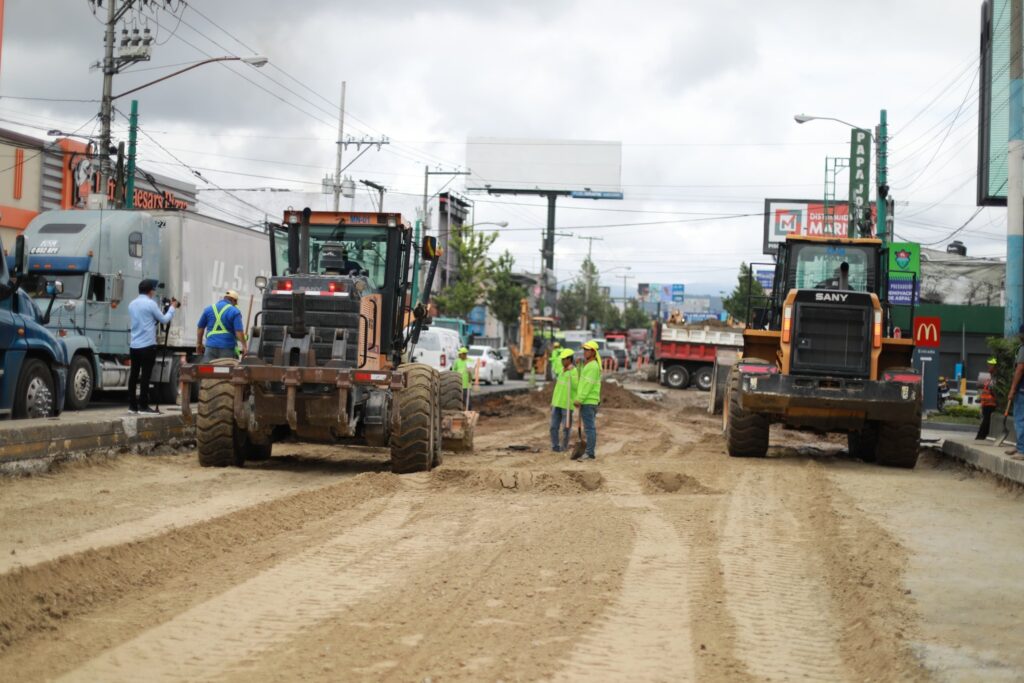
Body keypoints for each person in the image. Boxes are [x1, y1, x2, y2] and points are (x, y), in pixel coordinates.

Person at [128, 278, 178, 414]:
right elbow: (164, 319)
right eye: (154, 291)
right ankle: (143, 406)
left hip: (134, 345)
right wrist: (172, 308)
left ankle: (132, 406)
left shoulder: (131, 304)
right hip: (147, 345)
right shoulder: (151, 304)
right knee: (145, 376)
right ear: (150, 291)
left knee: (133, 375)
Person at [196, 289, 247, 361]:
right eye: (236, 302)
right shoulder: (235, 311)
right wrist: (244, 346)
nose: (236, 305)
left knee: (208, 370)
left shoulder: (208, 309)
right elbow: (238, 331)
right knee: (226, 370)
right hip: (227, 348)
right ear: (233, 300)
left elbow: (200, 327)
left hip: (210, 347)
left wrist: (199, 344)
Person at [572, 340, 602, 461]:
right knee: (589, 428)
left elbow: (587, 385)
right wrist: (579, 365)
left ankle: (590, 453)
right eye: (584, 349)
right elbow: (582, 379)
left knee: (589, 428)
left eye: (587, 350)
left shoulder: (593, 366)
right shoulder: (589, 365)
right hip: (588, 401)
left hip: (589, 401)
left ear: (593, 352)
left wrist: (580, 399)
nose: (584, 352)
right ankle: (589, 452)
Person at [550, 348, 578, 452]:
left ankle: (564, 447)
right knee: (553, 427)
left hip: (567, 405)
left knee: (566, 428)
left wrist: (571, 372)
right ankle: (555, 446)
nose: (562, 361)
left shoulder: (574, 372)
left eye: (564, 359)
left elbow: (576, 386)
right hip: (557, 403)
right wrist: (552, 402)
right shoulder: (562, 371)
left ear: (569, 359)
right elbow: (557, 388)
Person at [1005, 325, 1024, 459]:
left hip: (1022, 390)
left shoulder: (1023, 348)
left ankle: (1022, 450)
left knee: (1020, 420)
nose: (1019, 336)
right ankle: (1019, 446)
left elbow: (1020, 369)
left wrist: (1012, 389)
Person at [976, 357, 999, 441]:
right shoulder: (991, 377)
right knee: (985, 420)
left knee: (986, 421)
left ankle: (980, 436)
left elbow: (995, 391)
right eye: (988, 365)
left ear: (995, 367)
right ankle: (981, 436)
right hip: (986, 404)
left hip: (991, 403)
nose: (988, 366)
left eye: (990, 365)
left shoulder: (996, 378)